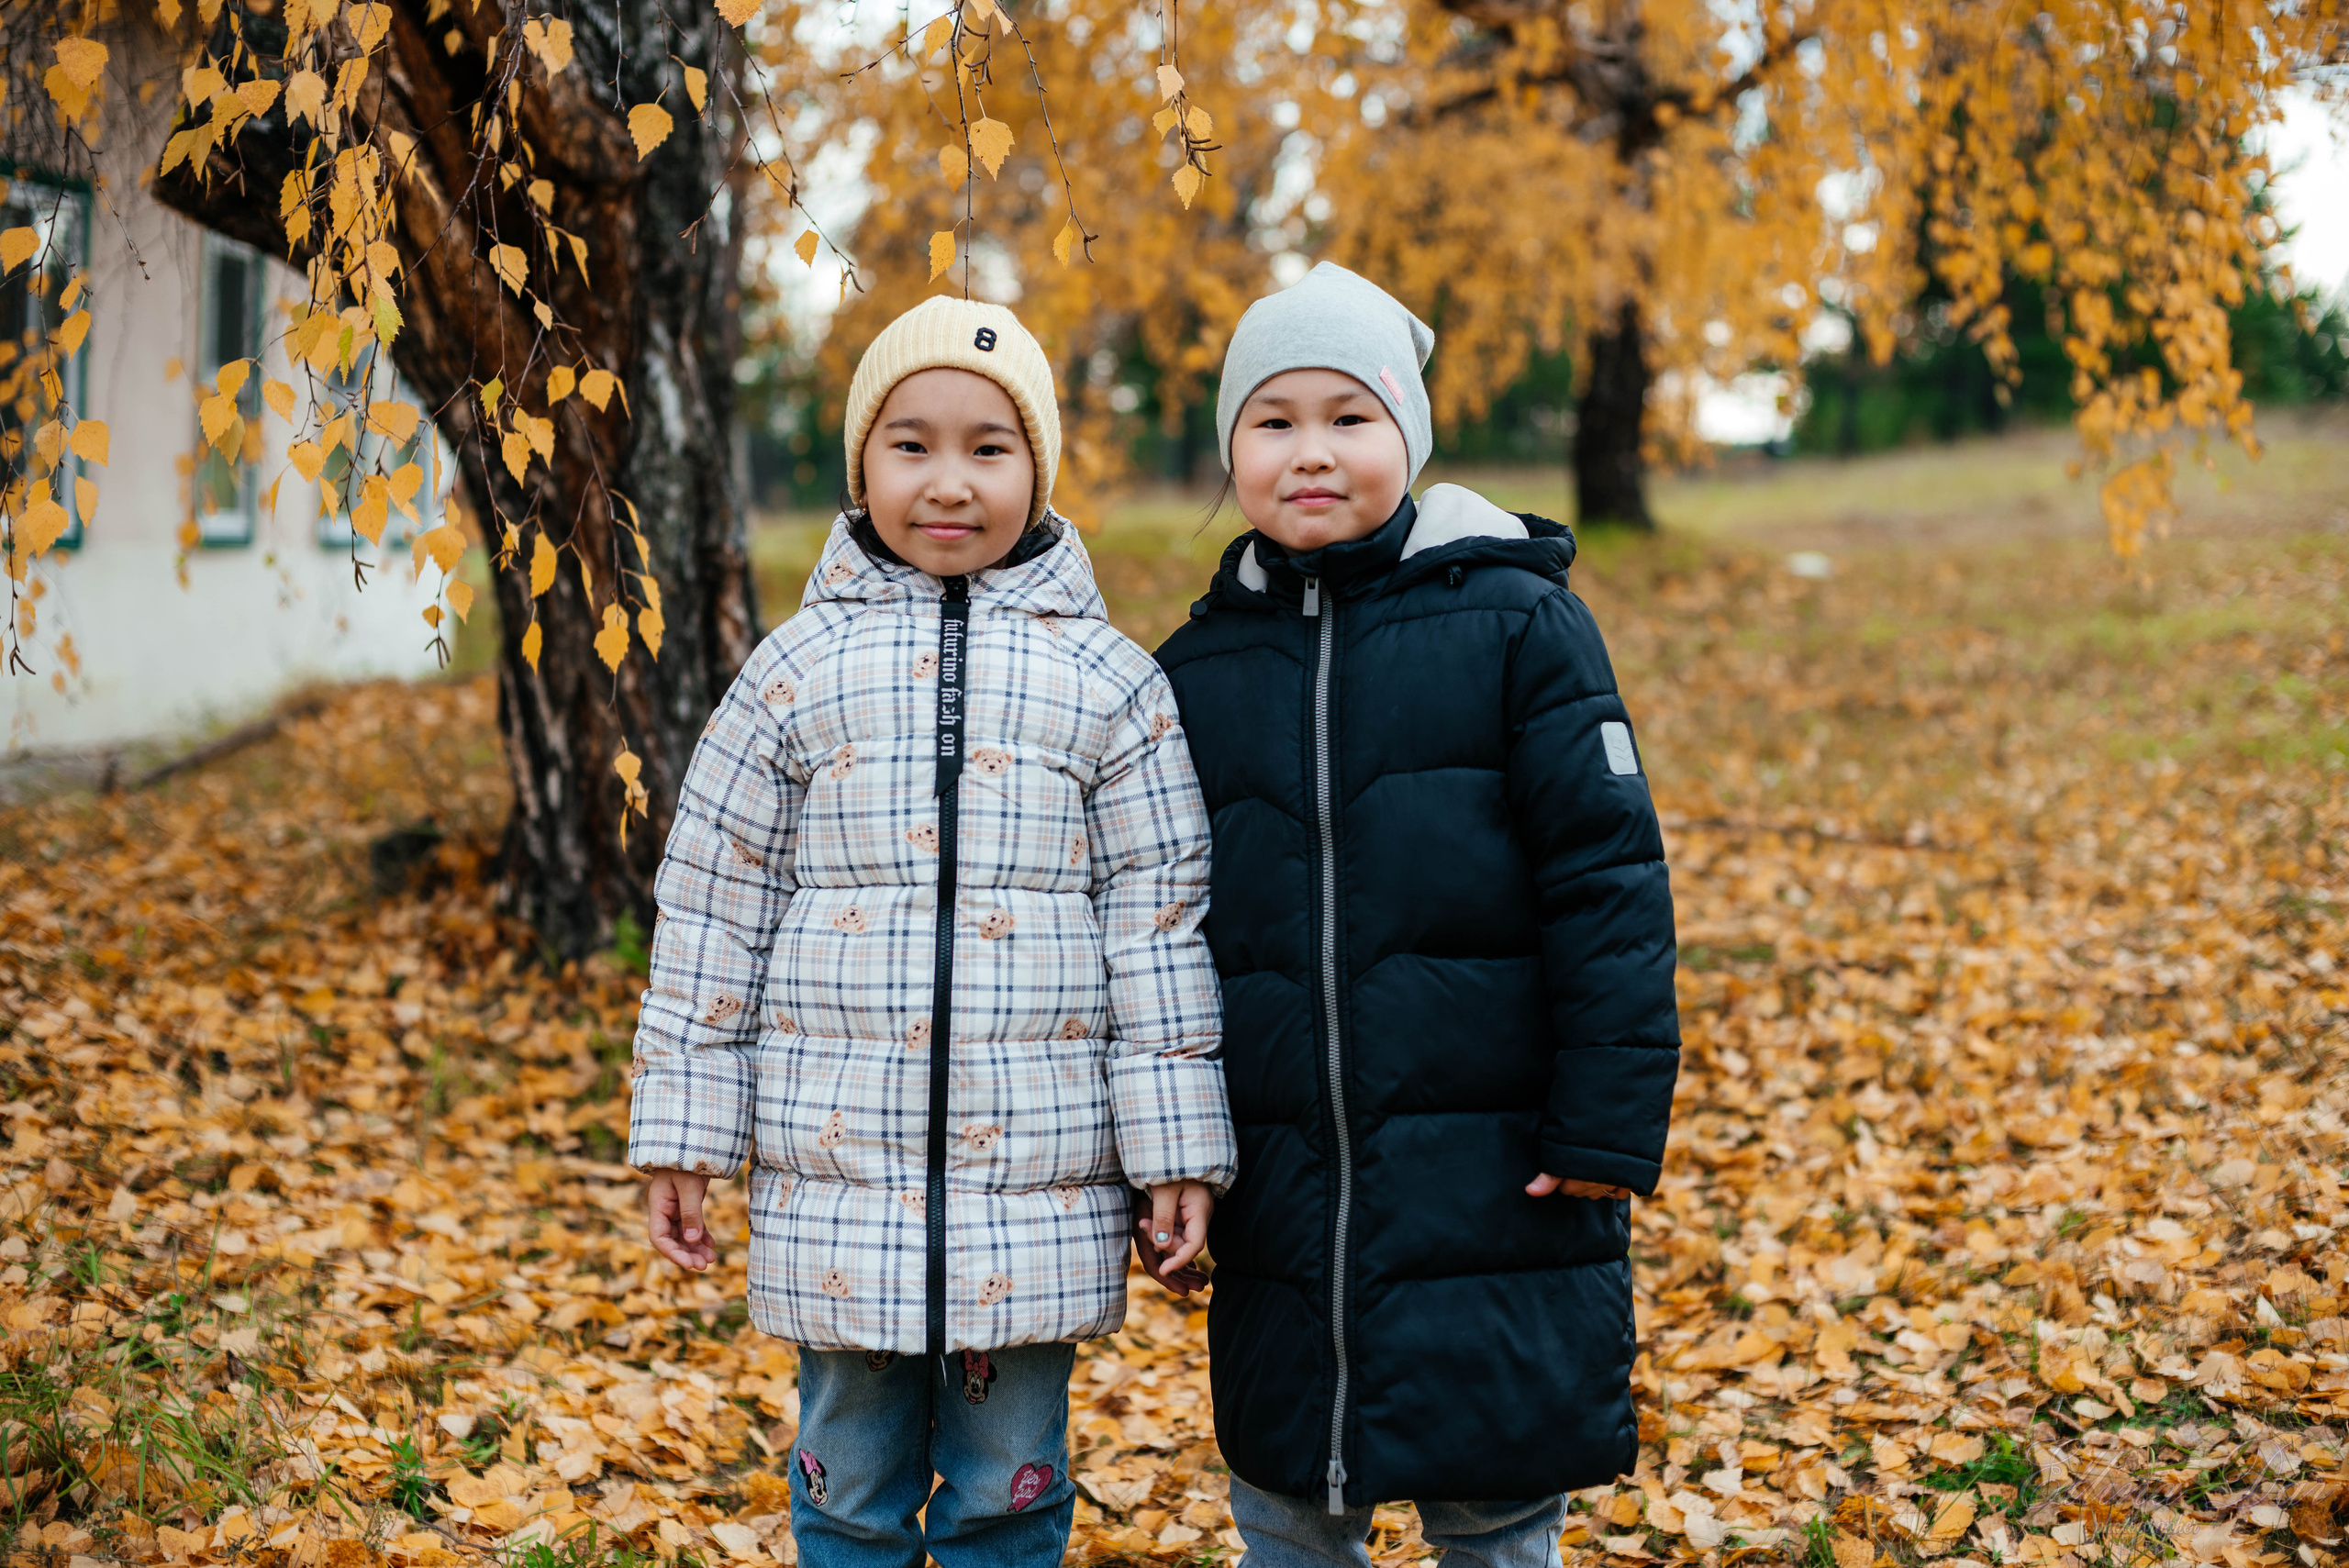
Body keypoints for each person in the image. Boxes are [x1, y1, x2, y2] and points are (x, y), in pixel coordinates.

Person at [627, 295, 1236, 1568]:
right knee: (846, 1487)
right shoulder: (794, 673)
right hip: (842, 1190)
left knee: (1009, 1492)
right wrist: (681, 1134)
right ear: (861, 464)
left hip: (1038, 1189)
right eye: (911, 444)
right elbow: (710, 912)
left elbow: (1160, 930)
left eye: (989, 447)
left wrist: (1178, 1150)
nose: (949, 482)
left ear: (1040, 471)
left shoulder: (1113, 684)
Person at [1151, 262, 1681, 1568]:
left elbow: (1609, 882)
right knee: (1288, 1483)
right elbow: (1149, 931)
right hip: (1281, 1172)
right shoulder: (1190, 671)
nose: (1312, 451)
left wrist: (1609, 1118)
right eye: (1273, 421)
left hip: (1496, 1162)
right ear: (1233, 449)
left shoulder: (1518, 624)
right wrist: (1152, 1143)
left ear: (1410, 436)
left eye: (1351, 416)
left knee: (1492, 1491)